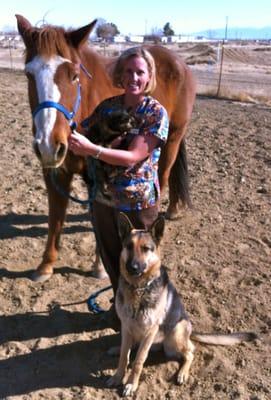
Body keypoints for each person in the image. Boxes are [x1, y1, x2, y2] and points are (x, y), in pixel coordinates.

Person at [68, 47, 169, 325]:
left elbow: (134, 156)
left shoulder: (155, 113)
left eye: (140, 72)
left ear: (149, 77)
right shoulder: (108, 106)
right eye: (128, 71)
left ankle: (143, 321)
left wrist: (93, 150)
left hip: (137, 203)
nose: (133, 77)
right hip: (103, 198)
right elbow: (81, 130)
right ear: (120, 75)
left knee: (140, 266)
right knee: (112, 257)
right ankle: (119, 310)